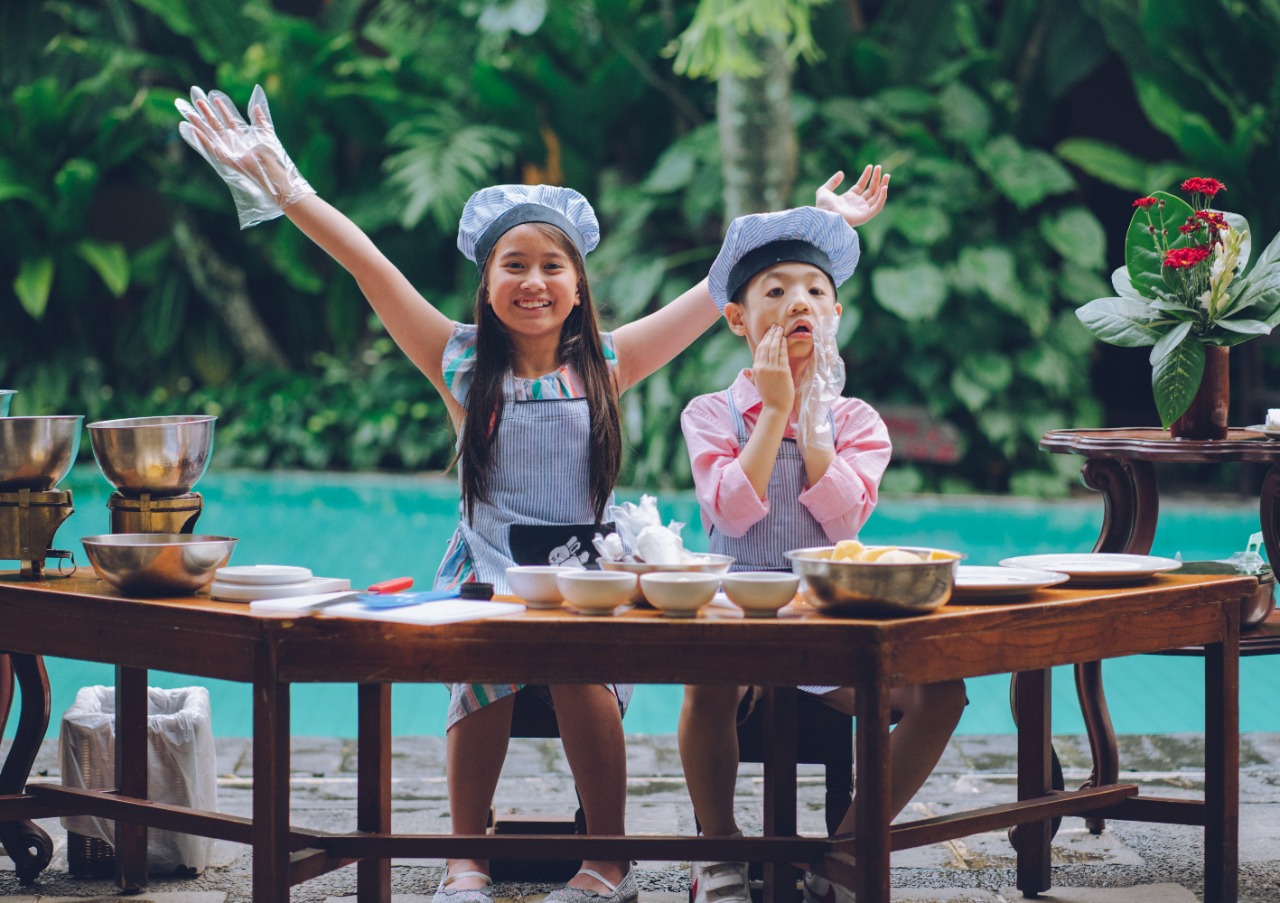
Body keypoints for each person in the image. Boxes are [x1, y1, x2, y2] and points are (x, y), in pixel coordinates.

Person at [174, 85, 890, 903]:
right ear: (486, 284)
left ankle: (607, 859)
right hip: (486, 574)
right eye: (513, 265)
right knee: (481, 671)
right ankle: (464, 858)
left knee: (576, 664)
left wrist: (817, 221)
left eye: (553, 266)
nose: (534, 281)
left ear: (579, 286)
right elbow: (369, 266)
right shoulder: (458, 362)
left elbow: (717, 286)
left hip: (588, 584)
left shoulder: (611, 362)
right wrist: (290, 189)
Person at [678, 207, 966, 903]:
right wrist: (774, 409)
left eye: (814, 290)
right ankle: (718, 851)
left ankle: (843, 852)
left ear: (834, 315)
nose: (797, 302)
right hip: (737, 619)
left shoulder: (857, 420)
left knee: (943, 691)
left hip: (828, 620)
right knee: (707, 680)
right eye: (775, 291)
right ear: (737, 319)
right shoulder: (711, 413)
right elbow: (731, 509)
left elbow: (843, 519)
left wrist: (810, 419)